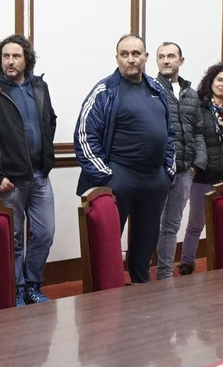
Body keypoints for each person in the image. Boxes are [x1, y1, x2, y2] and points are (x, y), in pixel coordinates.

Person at [75, 34, 175, 284]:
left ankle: (142, 294)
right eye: (125, 54)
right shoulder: (105, 90)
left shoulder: (157, 89)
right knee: (107, 247)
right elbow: (85, 137)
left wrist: (168, 171)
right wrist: (108, 178)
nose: (131, 59)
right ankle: (105, 300)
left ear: (146, 57)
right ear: (117, 57)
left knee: (145, 245)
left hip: (154, 181)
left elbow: (170, 132)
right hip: (119, 178)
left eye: (136, 53)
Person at [0, 34, 58, 306]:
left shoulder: (39, 87)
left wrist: (45, 156)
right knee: (14, 239)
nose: (10, 61)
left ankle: (33, 284)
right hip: (10, 180)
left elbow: (50, 121)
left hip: (39, 177)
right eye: (5, 56)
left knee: (45, 233)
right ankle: (17, 290)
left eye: (16, 56)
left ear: (26, 59)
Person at [181, 63, 223, 275]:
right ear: (211, 81)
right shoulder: (199, 108)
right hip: (203, 175)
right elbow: (191, 136)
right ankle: (187, 262)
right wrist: (198, 162)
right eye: (220, 80)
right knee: (196, 223)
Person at [153, 42, 206, 279]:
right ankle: (144, 273)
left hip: (185, 171)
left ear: (181, 61)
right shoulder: (151, 89)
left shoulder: (191, 94)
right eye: (161, 57)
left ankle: (165, 274)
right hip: (158, 171)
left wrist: (197, 166)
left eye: (171, 56)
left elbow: (199, 131)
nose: (166, 60)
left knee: (171, 225)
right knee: (150, 224)